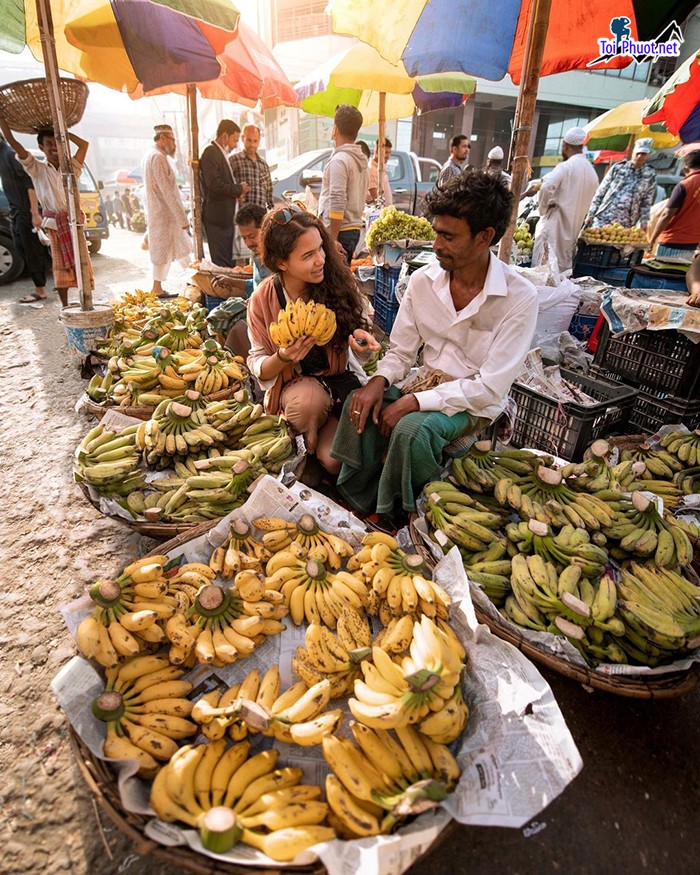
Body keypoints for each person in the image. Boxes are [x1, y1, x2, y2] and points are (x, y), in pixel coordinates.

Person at [330, 171, 538, 523]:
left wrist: (413, 402)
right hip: (425, 381)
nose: (437, 244)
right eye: (436, 232)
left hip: (473, 399)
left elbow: (489, 386)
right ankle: (360, 498)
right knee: (359, 402)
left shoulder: (519, 298)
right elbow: (400, 352)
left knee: (413, 431)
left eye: (448, 236)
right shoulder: (423, 281)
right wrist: (378, 382)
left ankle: (401, 514)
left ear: (484, 237)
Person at [246, 204, 378, 473]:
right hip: (298, 394)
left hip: (340, 384)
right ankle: (302, 449)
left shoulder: (339, 284)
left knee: (334, 462)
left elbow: (360, 351)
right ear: (282, 263)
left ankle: (317, 449)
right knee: (308, 401)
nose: (320, 260)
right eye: (308, 255)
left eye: (320, 248)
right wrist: (282, 357)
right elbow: (257, 363)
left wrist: (361, 344)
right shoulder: (262, 299)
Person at [0, 118, 93, 307]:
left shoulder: (72, 168)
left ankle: (86, 303)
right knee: (60, 269)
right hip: (54, 225)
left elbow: (84, 145)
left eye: (57, 144)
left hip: (74, 222)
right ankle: (66, 306)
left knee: (83, 266)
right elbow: (15, 144)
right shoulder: (37, 168)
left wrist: (64, 135)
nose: (54, 148)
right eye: (49, 144)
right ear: (41, 147)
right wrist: (3, 122)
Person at [531, 126, 599, 273]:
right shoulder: (592, 173)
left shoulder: (566, 167)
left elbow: (546, 187)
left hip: (553, 229)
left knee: (541, 276)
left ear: (565, 146)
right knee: (561, 277)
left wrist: (543, 210)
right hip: (571, 234)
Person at [0, 133, 51, 303]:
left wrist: (34, 213)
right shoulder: (2, 156)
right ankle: (54, 281)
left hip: (25, 211)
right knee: (22, 247)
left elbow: (31, 184)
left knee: (31, 251)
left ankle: (40, 290)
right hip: (15, 211)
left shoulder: (10, 154)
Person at [142, 124, 192, 297]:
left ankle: (194, 280)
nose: (175, 145)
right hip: (166, 216)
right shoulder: (157, 157)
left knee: (180, 250)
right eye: (173, 140)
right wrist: (182, 219)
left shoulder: (152, 155)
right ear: (163, 139)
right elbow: (167, 191)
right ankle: (195, 280)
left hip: (164, 216)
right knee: (172, 252)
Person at [317, 105, 369, 265]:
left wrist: (331, 239)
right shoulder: (360, 160)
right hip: (351, 229)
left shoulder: (340, 160)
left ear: (335, 128)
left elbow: (337, 200)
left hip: (339, 232)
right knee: (339, 281)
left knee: (331, 284)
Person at [199, 119, 250, 267]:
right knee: (223, 265)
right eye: (234, 140)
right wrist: (238, 188)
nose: (235, 145)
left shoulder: (220, 153)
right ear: (225, 136)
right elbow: (214, 184)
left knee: (229, 263)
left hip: (226, 220)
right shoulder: (211, 152)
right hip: (218, 220)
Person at [585, 138, 657, 230]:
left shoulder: (650, 173)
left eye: (643, 154)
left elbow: (647, 200)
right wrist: (591, 214)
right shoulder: (618, 168)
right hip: (604, 217)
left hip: (626, 222)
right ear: (633, 152)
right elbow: (601, 192)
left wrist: (644, 221)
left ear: (648, 155)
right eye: (637, 153)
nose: (639, 156)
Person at [648, 151, 700, 259]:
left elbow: (667, 215)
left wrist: (652, 239)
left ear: (686, 169)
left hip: (673, 240)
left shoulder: (685, 185)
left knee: (665, 273)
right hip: (694, 242)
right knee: (684, 274)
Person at [229, 124, 273, 211]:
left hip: (260, 216)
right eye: (249, 140)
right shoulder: (233, 161)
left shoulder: (263, 165)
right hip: (242, 217)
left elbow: (269, 193)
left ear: (259, 141)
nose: (252, 144)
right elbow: (227, 188)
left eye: (255, 141)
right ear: (242, 138)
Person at [367, 138, 393, 204]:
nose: (388, 156)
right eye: (386, 153)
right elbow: (375, 197)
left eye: (389, 153)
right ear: (376, 152)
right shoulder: (372, 169)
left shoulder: (381, 167)